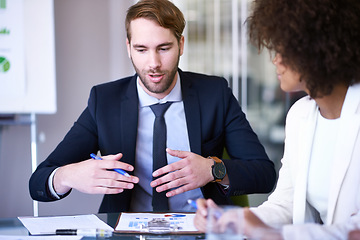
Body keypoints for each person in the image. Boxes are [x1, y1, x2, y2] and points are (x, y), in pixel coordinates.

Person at [29, 0, 276, 213]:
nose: (153, 63)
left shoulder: (215, 94)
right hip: (128, 231)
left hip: (201, 227)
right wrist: (69, 175)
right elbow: (38, 182)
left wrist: (214, 169)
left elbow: (264, 174)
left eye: (164, 48)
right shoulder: (104, 101)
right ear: (128, 48)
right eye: (141, 50)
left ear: (181, 44)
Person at [194, 0, 360, 238]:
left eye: (283, 50)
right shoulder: (300, 115)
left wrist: (277, 236)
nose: (275, 60)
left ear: (317, 50)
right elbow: (285, 204)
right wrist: (233, 218)